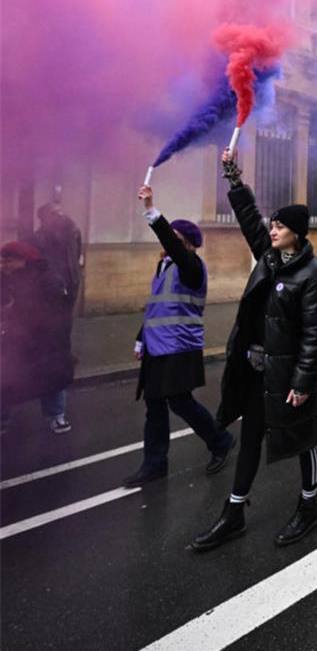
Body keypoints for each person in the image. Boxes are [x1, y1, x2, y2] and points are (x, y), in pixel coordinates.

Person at [192, 149, 317, 551]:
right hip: (257, 370)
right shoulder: (269, 259)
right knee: (251, 436)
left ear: (298, 232)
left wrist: (303, 383)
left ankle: (309, 505)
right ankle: (233, 512)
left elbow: (314, 336)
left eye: (281, 225)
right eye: (273, 225)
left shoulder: (312, 276)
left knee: (303, 438)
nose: (272, 229)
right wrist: (234, 179)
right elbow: (249, 218)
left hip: (290, 376)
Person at [122, 185, 234, 487]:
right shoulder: (164, 267)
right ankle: (154, 464)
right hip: (158, 346)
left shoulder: (191, 266)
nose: (167, 245)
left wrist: (151, 211)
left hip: (180, 346)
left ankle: (220, 440)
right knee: (154, 406)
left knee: (180, 402)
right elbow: (156, 308)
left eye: (175, 239)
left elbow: (172, 246)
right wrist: (140, 338)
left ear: (186, 244)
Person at [0, 241, 74, 432]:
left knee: (52, 376)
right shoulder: (7, 278)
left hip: (46, 340)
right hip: (15, 338)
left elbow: (56, 312)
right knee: (6, 375)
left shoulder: (49, 280)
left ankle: (56, 416)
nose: (4, 264)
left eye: (8, 260)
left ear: (24, 260)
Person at [30, 201, 84, 308]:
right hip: (51, 285)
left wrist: (77, 271)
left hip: (72, 280)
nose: (60, 215)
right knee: (53, 316)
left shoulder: (74, 233)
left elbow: (77, 254)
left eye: (60, 211)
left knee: (68, 314)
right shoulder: (37, 239)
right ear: (44, 218)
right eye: (53, 213)